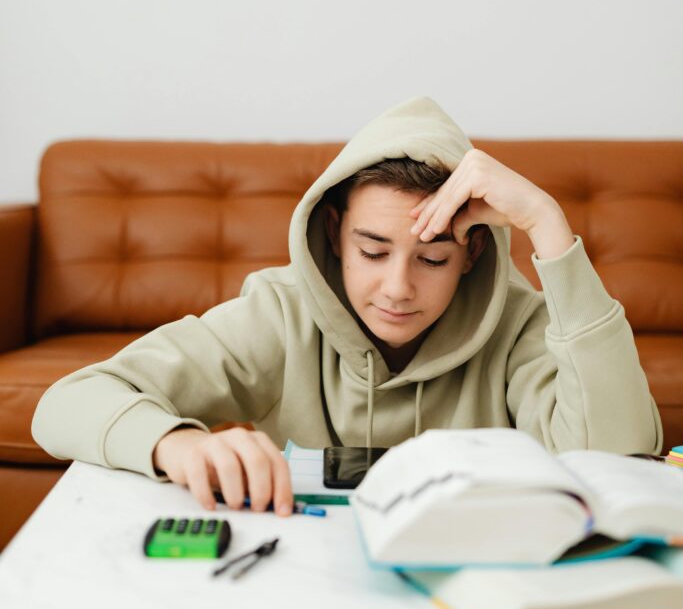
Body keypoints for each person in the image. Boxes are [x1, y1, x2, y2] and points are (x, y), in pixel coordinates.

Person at [31, 96, 662, 517]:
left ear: (472, 254)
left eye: (433, 259)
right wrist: (176, 443)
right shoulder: (280, 313)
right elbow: (67, 402)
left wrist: (548, 224)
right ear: (334, 235)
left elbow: (618, 461)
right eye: (373, 251)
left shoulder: (520, 322)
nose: (397, 288)